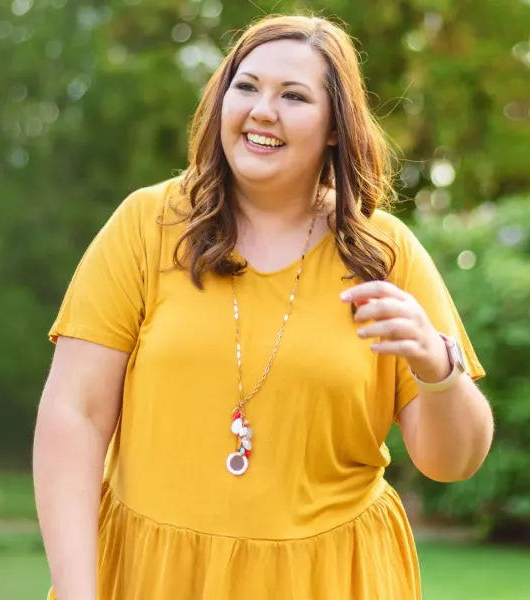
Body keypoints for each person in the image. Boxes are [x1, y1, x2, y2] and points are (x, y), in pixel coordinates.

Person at [32, 13, 494, 600]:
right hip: (156, 574)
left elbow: (451, 463)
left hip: (332, 578)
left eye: (294, 95)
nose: (262, 110)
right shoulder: (146, 225)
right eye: (246, 86)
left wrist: (440, 369)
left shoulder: (385, 252)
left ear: (334, 126)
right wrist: (77, 591)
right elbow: (75, 414)